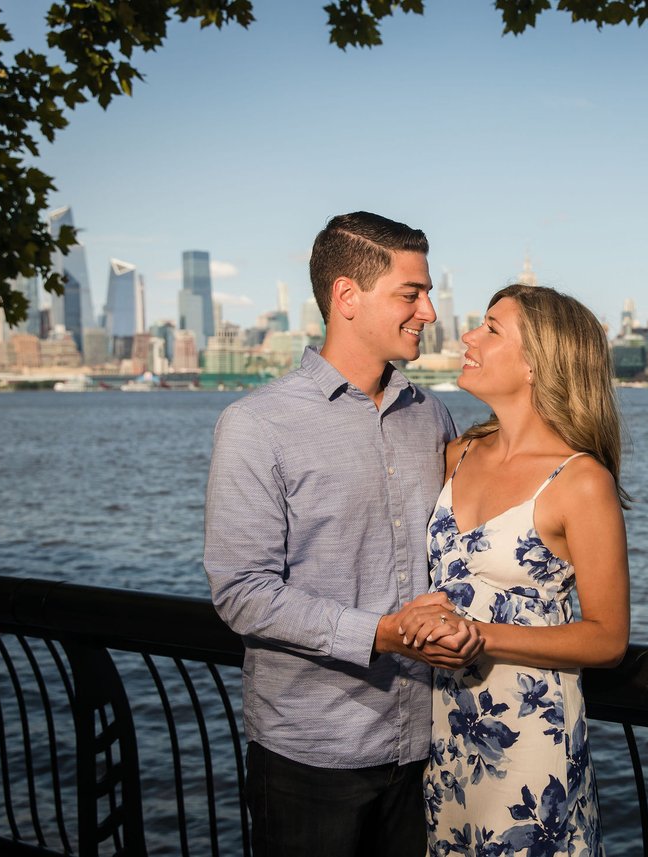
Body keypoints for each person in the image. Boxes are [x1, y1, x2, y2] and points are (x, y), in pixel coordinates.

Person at [203, 211, 482, 857]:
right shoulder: (256, 424)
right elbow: (242, 592)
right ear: (347, 296)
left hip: (426, 742)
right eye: (411, 293)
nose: (430, 311)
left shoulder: (430, 413)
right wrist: (383, 634)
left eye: (427, 292)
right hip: (312, 753)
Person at [397, 284, 631, 856]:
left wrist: (482, 638)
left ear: (536, 364)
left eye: (491, 329)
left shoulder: (580, 481)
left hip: (530, 740)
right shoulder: (459, 453)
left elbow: (608, 638)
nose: (469, 337)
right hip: (447, 731)